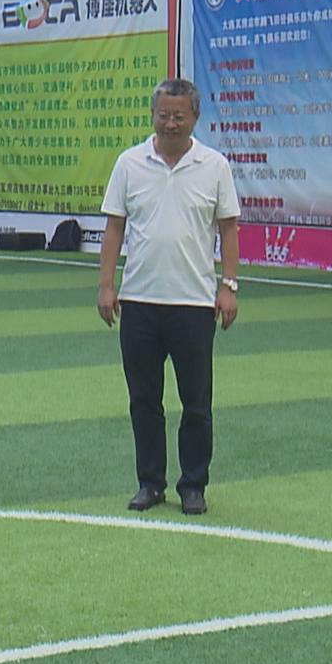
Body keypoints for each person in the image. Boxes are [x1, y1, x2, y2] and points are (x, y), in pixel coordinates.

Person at [98, 77, 241, 517]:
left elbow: (229, 228)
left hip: (194, 304)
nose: (171, 123)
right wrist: (106, 285)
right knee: (144, 400)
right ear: (153, 116)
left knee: (196, 403)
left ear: (195, 117)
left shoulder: (214, 165)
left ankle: (193, 485)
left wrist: (229, 285)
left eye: (179, 116)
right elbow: (115, 227)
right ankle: (150, 483)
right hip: (139, 301)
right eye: (164, 115)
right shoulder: (129, 163)